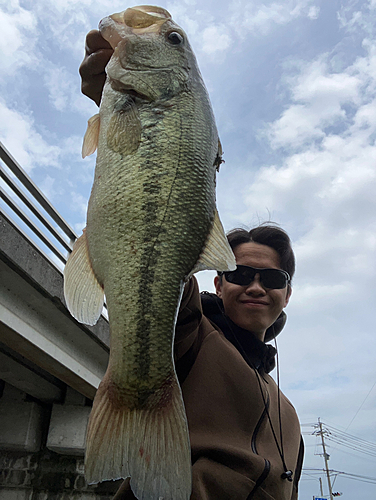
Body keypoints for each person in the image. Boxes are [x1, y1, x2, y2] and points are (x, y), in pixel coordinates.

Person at [79, 31, 304, 500]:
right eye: (241, 274)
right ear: (217, 283)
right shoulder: (191, 335)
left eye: (273, 278)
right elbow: (164, 270)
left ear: (287, 292)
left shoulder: (289, 413)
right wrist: (119, 104)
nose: (256, 286)